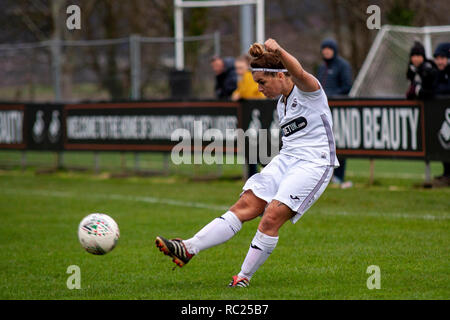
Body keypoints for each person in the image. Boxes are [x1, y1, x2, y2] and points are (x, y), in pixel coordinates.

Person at [156, 38, 339, 287]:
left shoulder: (308, 91)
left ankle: (243, 277)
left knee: (271, 216)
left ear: (280, 75)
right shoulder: (281, 104)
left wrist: (279, 50)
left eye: (262, 82)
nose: (260, 88)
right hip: (287, 159)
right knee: (246, 204)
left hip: (314, 163)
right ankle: (188, 248)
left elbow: (298, 71)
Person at [316, 39, 353, 189]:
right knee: (323, 143)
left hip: (339, 111)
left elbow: (347, 87)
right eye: (324, 48)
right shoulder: (321, 67)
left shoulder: (343, 66)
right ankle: (324, 176)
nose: (326, 51)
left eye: (329, 48)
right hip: (323, 112)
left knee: (339, 142)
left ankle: (339, 176)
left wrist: (330, 96)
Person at [231, 54, 266, 178]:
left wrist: (239, 94)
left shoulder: (249, 76)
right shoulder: (242, 78)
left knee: (258, 148)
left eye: (240, 67)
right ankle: (254, 175)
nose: (238, 71)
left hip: (259, 114)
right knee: (253, 148)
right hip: (253, 117)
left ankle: (257, 175)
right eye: (236, 68)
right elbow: (240, 91)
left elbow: (249, 92)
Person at [432, 42, 450, 187]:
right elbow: (433, 89)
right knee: (443, 143)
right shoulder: (437, 72)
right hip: (442, 116)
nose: (440, 61)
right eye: (437, 58)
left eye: (443, 58)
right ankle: (446, 174)